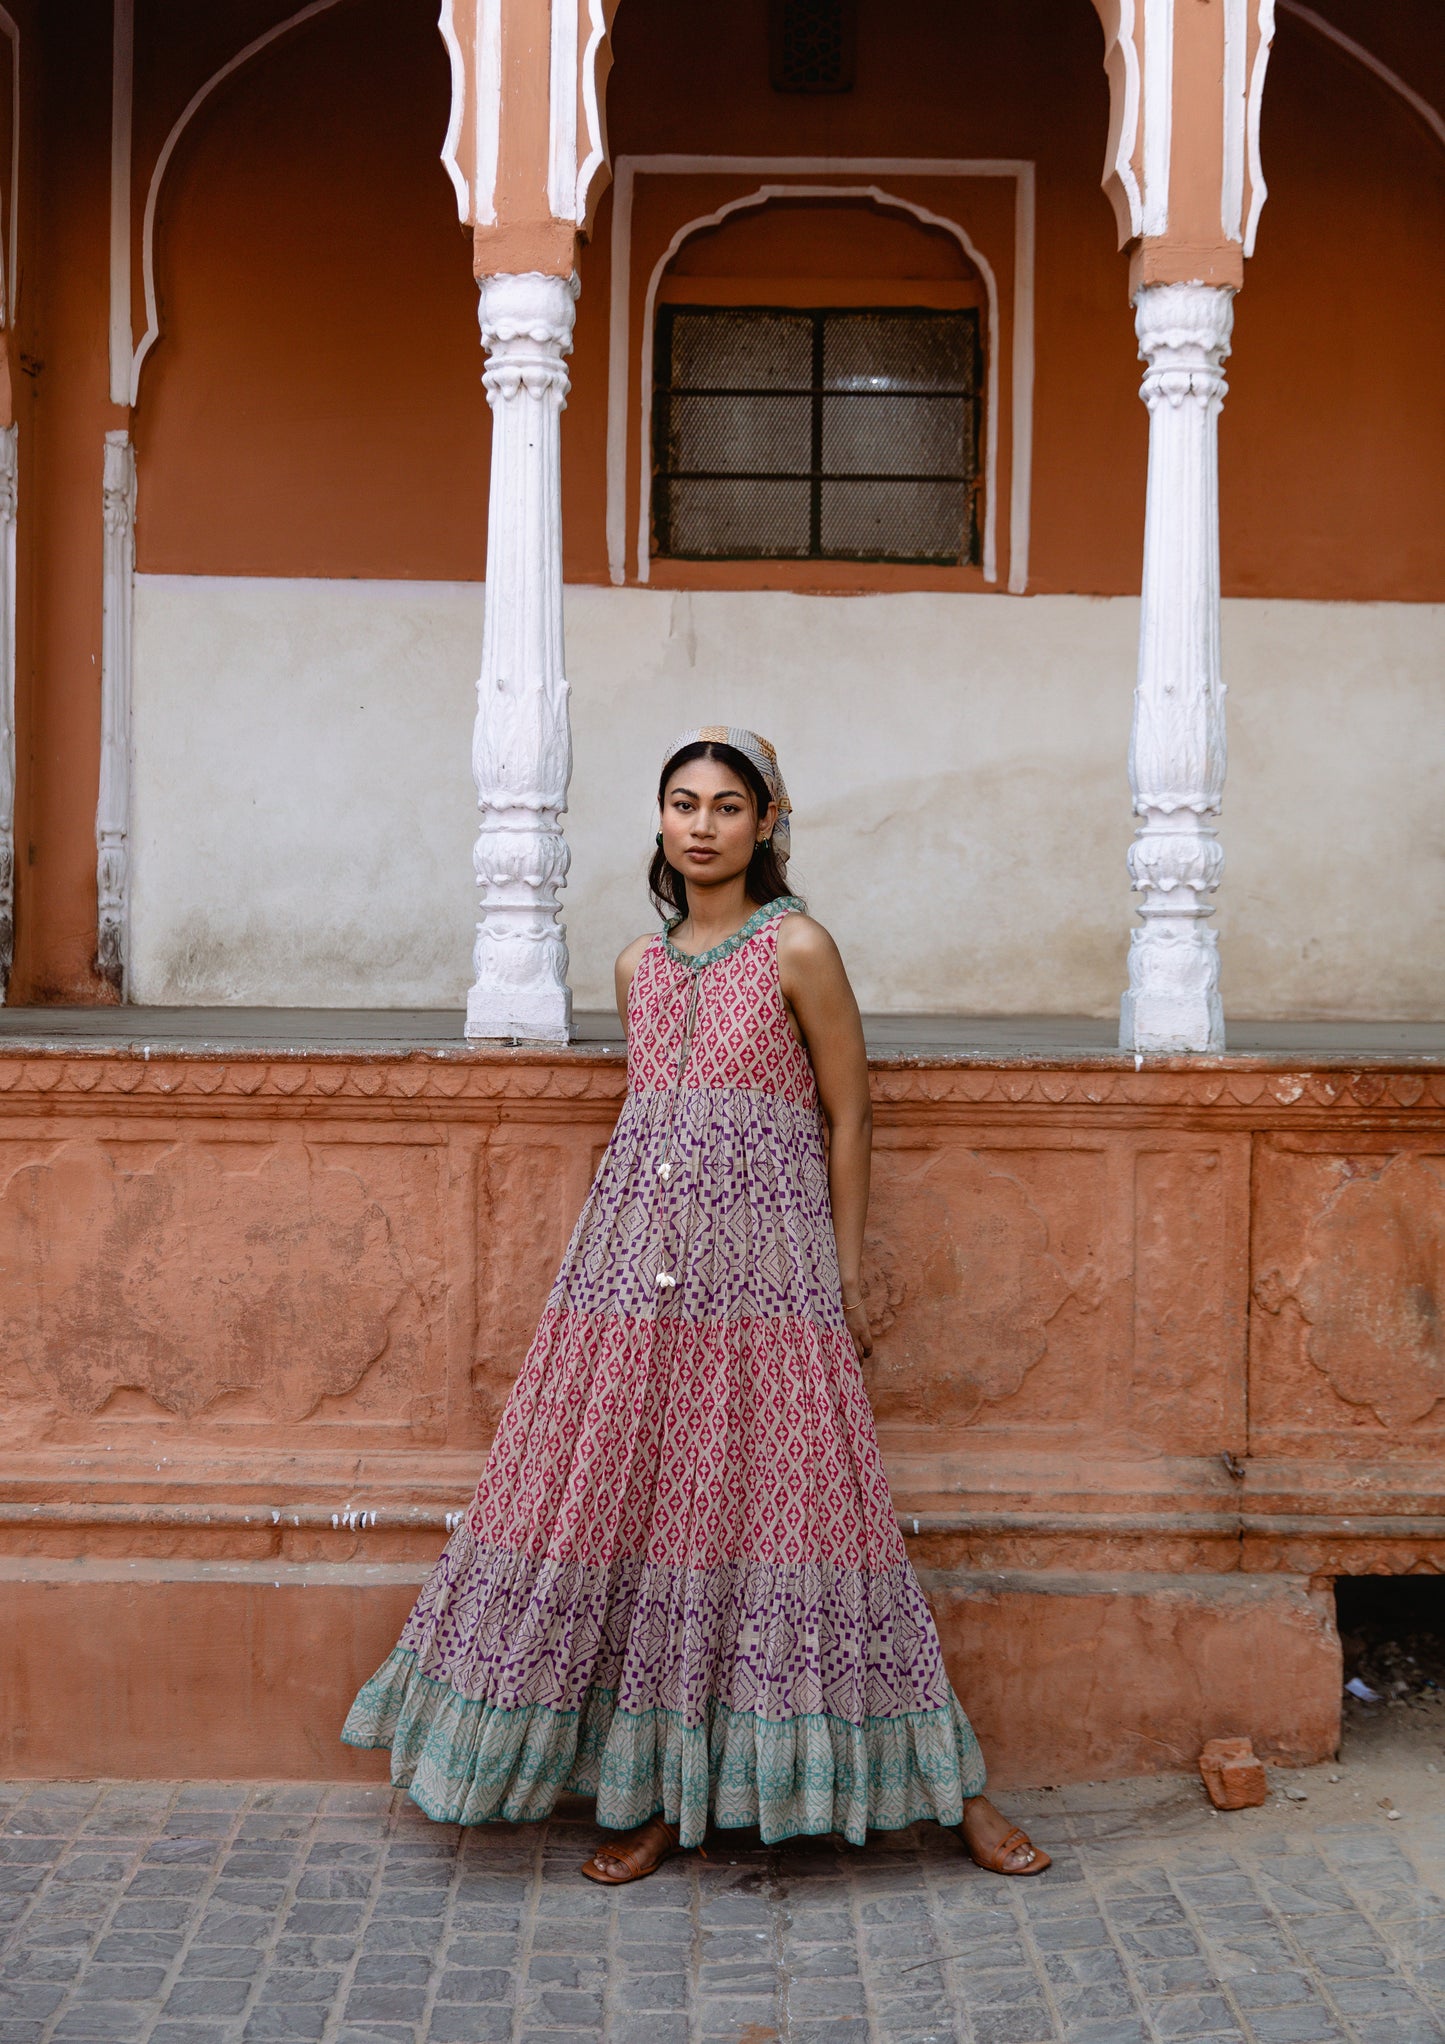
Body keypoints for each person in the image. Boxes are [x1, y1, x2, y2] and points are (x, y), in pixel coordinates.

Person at [343, 725, 1048, 1883]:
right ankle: (663, 1793)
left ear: (766, 823)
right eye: (684, 803)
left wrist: (848, 1265)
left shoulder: (797, 949)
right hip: (629, 1279)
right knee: (656, 1517)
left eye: (728, 804)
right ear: (660, 822)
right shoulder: (638, 967)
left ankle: (951, 1790)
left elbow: (851, 1114)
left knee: (822, 1511)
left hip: (768, 1278)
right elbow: (659, 1123)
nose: (703, 823)